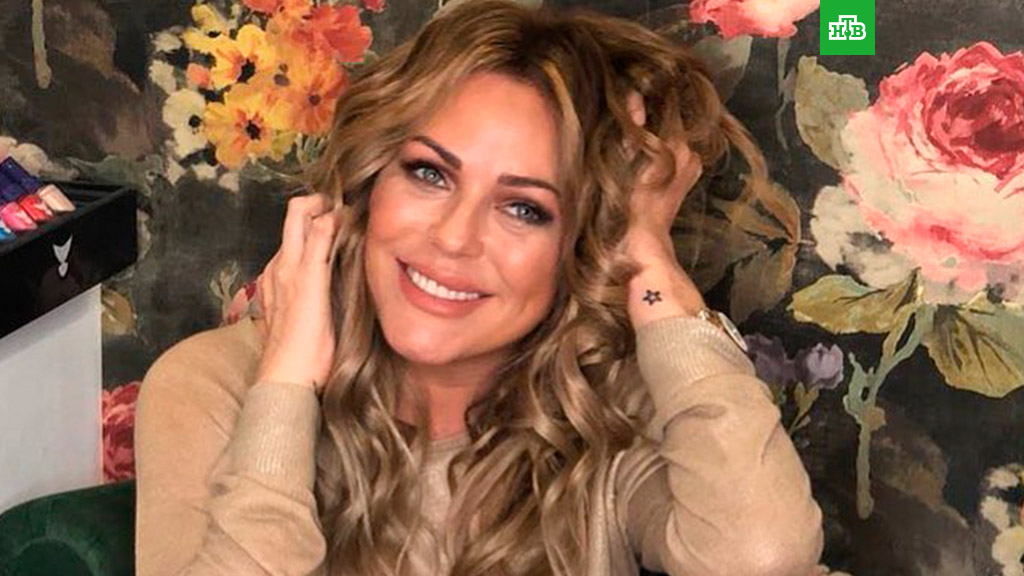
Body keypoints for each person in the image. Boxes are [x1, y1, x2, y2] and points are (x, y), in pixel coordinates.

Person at [135, 1, 825, 575]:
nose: (454, 238)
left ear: (584, 244)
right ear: (369, 182)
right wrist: (285, 386)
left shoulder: (608, 404)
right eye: (429, 173)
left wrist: (646, 250)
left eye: (525, 208)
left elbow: (762, 559)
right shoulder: (214, 386)